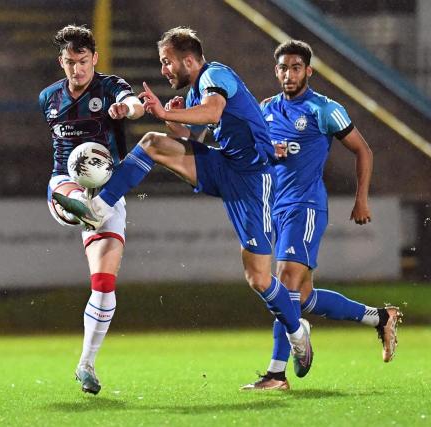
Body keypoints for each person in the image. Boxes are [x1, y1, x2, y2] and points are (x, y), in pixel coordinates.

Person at [52, 27, 314, 382]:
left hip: (253, 178)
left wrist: (167, 112)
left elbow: (213, 112)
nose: (164, 70)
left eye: (167, 62)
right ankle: (100, 206)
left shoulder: (215, 75)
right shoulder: (195, 89)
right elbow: (192, 135)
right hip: (224, 165)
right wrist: (174, 120)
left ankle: (298, 333)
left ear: (188, 60)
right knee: (153, 143)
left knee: (259, 278)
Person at [241, 40, 402, 391]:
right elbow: (252, 154)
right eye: (283, 68)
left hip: (305, 207)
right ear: (276, 71)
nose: (289, 74)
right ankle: (380, 317)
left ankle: (276, 373)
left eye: (296, 67)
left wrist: (361, 199)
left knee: (284, 284)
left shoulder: (323, 109)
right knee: (303, 297)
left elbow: (363, 150)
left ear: (309, 71)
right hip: (275, 209)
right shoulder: (265, 108)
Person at [39, 24, 144, 395]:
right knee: (70, 187)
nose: (76, 70)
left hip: (109, 193)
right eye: (69, 62)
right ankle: (79, 206)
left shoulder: (110, 86)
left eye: (83, 62)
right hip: (63, 184)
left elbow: (135, 103)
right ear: (61, 62)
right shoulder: (48, 98)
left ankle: (86, 364)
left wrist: (126, 108)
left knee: (102, 284)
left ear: (94, 59)